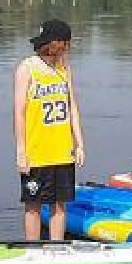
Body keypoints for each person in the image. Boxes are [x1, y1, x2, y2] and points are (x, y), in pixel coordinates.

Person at [14, 18, 86, 240]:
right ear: (55, 44)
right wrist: (21, 151)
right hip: (36, 153)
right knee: (33, 205)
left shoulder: (65, 68)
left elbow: (72, 107)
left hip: (62, 151)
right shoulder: (27, 69)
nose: (67, 49)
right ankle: (32, 250)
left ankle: (57, 248)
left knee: (59, 205)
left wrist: (79, 144)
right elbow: (19, 112)